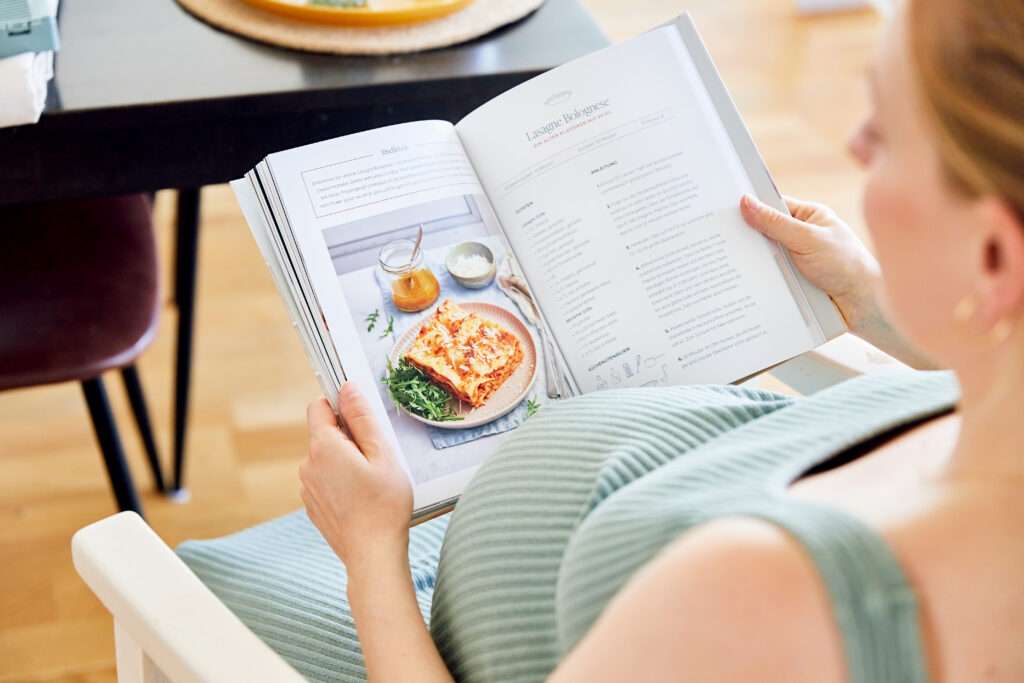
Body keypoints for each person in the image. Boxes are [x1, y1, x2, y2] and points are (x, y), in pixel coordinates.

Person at [297, 2, 1024, 681]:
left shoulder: (761, 594)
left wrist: (369, 552)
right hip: (503, 538)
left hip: (410, 614)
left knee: (212, 571)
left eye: (888, 132)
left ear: (994, 257)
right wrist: (864, 300)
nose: (855, 144)